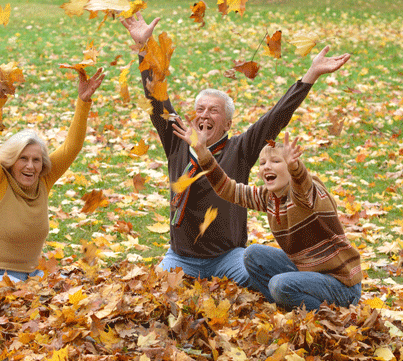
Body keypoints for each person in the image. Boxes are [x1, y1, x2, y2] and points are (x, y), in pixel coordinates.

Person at [120, 12, 351, 286]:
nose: (205, 115)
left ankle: (327, 282)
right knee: (154, 293)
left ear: (228, 123)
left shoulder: (240, 148)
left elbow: (275, 117)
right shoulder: (176, 140)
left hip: (228, 257)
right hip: (180, 258)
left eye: (213, 111)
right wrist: (144, 49)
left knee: (271, 290)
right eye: (200, 109)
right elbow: (155, 96)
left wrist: (310, 75)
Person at [174, 123, 362, 310]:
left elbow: (304, 186)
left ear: (289, 166)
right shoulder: (269, 197)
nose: (267, 167)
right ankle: (285, 307)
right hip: (307, 272)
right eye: (262, 163)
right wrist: (202, 152)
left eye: (276, 162)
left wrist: (296, 168)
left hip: (341, 284)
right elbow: (228, 189)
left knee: (280, 285)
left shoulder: (309, 193)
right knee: (252, 254)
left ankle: (329, 318)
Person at [0, 58, 105, 301]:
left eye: (36, 160)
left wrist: (83, 101)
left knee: (73, 300)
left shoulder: (42, 181)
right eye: (23, 159)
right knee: (21, 299)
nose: (30, 166)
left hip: (29, 278)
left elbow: (72, 147)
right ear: (11, 161)